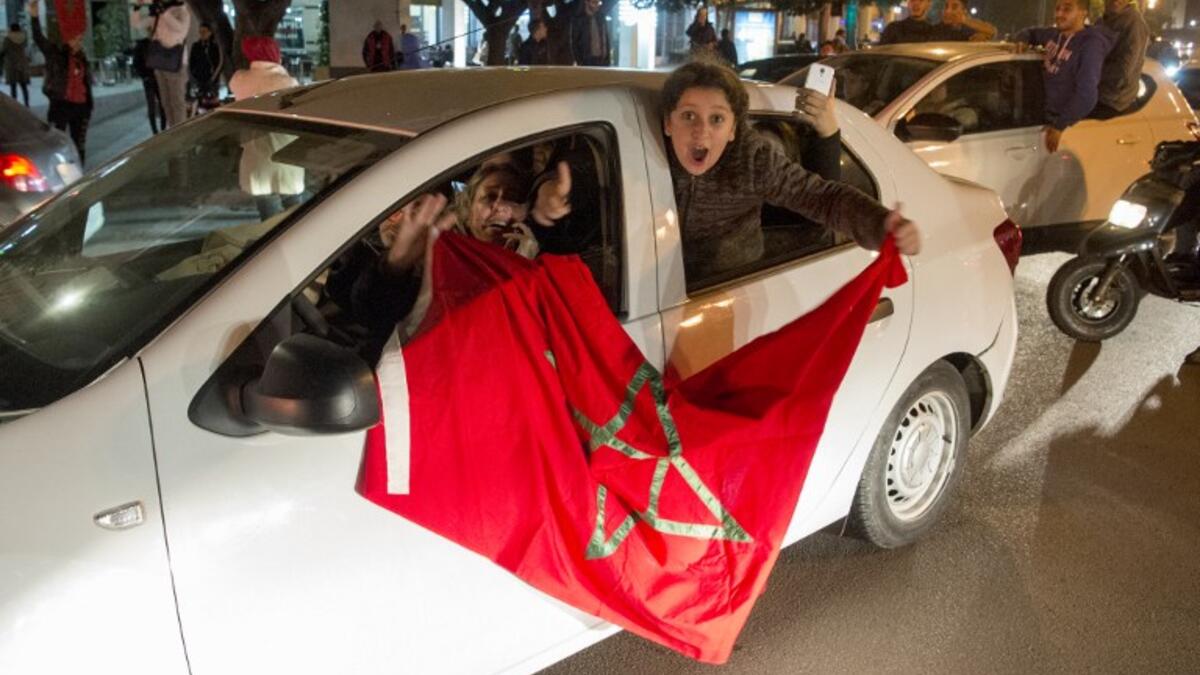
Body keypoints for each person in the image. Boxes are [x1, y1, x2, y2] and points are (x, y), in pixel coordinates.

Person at [659, 60, 920, 282]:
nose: (701, 131)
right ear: (668, 123)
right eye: (689, 116)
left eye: (717, 119)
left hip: (731, 287)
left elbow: (821, 197)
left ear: (733, 130)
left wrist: (881, 225)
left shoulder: (751, 159)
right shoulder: (643, 152)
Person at [1015, 0, 1114, 153]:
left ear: (1083, 12)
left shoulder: (1090, 45)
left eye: (1067, 9)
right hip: (1037, 117)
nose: (1059, 14)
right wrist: (1022, 39)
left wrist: (1059, 126)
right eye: (1057, 9)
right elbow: (1030, 32)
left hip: (1061, 125)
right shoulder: (1054, 35)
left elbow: (1087, 95)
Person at [229, 37, 305, 220]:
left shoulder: (239, 79)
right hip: (284, 151)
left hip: (255, 151)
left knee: (268, 218)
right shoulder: (285, 82)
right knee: (296, 213)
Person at [29, 1, 91, 162]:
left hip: (81, 107)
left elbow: (85, 82)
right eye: (76, 39)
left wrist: (88, 105)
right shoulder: (55, 54)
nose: (79, 42)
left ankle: (79, 175)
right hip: (61, 106)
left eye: (81, 38)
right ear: (67, 38)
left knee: (79, 146)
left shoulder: (82, 58)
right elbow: (38, 38)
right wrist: (34, 16)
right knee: (57, 145)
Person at [131, 0, 192, 129]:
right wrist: (137, 8)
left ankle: (180, 132)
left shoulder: (182, 11)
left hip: (175, 64)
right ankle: (172, 129)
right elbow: (138, 24)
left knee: (177, 101)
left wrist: (164, 13)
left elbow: (180, 29)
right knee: (165, 101)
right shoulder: (160, 14)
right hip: (160, 62)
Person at [1094, 0, 1150, 118]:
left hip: (1112, 102)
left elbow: (1123, 70)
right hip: (1096, 94)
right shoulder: (1102, 21)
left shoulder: (1134, 22)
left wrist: (1089, 73)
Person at [131, 37, 166, 133]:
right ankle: (155, 130)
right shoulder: (141, 45)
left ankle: (163, 128)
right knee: (152, 105)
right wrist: (144, 76)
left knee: (162, 103)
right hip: (149, 79)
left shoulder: (159, 43)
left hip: (159, 78)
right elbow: (136, 63)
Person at [188, 23, 223, 112]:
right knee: (200, 105)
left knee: (212, 104)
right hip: (199, 79)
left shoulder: (214, 46)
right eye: (200, 32)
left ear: (210, 32)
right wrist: (194, 76)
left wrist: (213, 78)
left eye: (204, 31)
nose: (202, 34)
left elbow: (219, 63)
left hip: (211, 80)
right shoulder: (196, 46)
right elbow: (192, 62)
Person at [571, 0, 610, 67]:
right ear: (586, 2)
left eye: (598, 2)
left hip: (602, 60)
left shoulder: (601, 18)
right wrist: (579, 61)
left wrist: (607, 59)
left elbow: (606, 39)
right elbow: (574, 43)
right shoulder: (578, 20)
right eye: (594, 2)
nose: (597, 5)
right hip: (586, 61)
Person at [1, 22, 31, 106]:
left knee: (13, 87)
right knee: (24, 87)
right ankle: (27, 104)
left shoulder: (7, 39)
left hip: (12, 65)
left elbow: (3, 51)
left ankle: (15, 105)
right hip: (22, 64)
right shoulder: (23, 37)